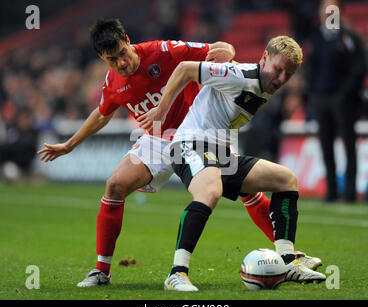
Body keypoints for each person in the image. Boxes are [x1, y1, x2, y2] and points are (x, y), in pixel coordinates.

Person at [37, 18, 286, 287]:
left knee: (245, 190)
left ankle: (288, 257)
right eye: (112, 59)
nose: (122, 63)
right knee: (115, 186)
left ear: (128, 40)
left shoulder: (163, 51)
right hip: (157, 140)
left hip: (197, 132)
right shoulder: (113, 82)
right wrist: (69, 145)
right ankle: (101, 271)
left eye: (122, 53)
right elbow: (102, 114)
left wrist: (227, 51)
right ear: (102, 58)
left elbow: (220, 47)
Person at [138, 35, 326, 291]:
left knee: (286, 179)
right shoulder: (239, 76)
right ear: (264, 58)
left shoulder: (265, 82)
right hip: (189, 145)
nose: (281, 79)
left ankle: (287, 260)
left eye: (288, 75)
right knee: (210, 191)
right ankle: (177, 273)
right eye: (278, 70)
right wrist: (161, 110)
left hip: (220, 153)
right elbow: (184, 69)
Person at [305, 0, 366, 202]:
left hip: (344, 100)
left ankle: (349, 193)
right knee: (326, 145)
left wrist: (345, 93)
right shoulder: (316, 37)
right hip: (322, 99)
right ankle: (331, 191)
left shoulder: (349, 38)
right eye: (324, 8)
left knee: (349, 145)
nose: (326, 12)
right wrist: (313, 92)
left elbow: (359, 68)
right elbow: (311, 68)